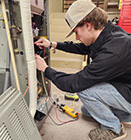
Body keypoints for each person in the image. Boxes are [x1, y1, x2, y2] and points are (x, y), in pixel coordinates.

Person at [35, 0, 131, 139]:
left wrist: (45, 69)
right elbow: (82, 47)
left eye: (76, 32)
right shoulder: (109, 33)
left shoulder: (114, 51)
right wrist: (52, 44)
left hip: (127, 90)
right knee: (87, 110)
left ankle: (114, 129)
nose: (77, 37)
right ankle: (123, 114)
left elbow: (73, 84)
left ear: (88, 25)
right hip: (122, 84)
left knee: (84, 90)